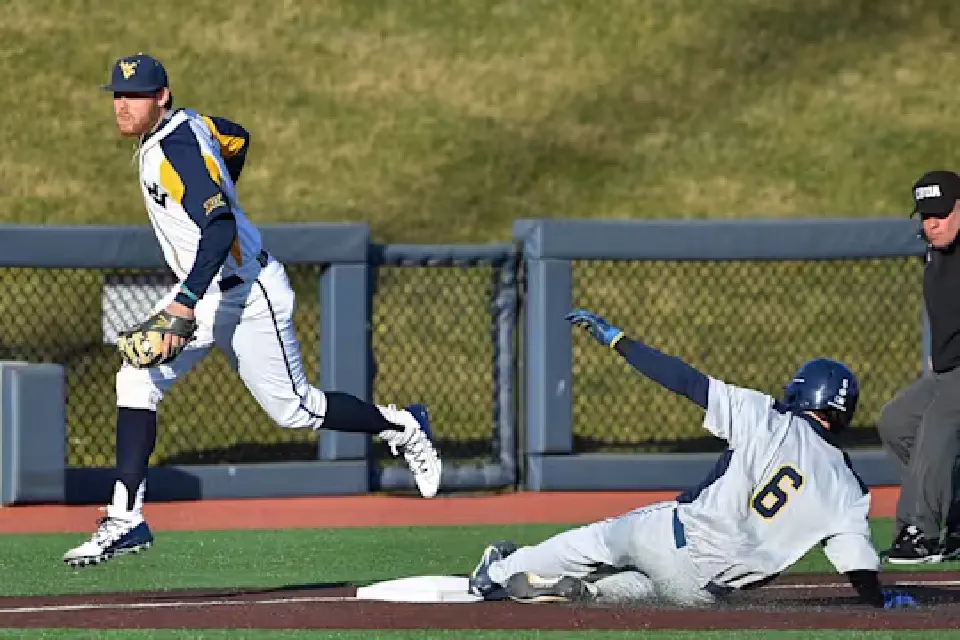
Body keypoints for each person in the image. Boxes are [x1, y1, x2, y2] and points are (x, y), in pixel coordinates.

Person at [62, 53, 442, 567]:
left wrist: (184, 301)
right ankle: (126, 518)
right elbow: (237, 137)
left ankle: (402, 426)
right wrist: (226, 194)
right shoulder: (189, 124)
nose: (122, 105)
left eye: (135, 95)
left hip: (246, 293)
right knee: (135, 378)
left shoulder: (175, 149)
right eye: (117, 95)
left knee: (295, 409)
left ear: (162, 97)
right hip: (207, 286)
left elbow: (218, 229)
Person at [467, 309, 917, 609]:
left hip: (674, 536)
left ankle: (499, 573)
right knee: (649, 590)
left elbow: (686, 381)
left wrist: (619, 340)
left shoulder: (768, 415)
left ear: (802, 391)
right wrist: (880, 601)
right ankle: (586, 594)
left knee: (595, 543)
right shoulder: (850, 487)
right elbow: (857, 563)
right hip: (704, 590)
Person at [877, 170, 960, 564]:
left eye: (942, 213)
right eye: (926, 215)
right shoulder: (933, 250)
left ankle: (921, 532)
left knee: (938, 423)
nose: (933, 222)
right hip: (947, 370)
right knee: (897, 421)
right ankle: (956, 519)